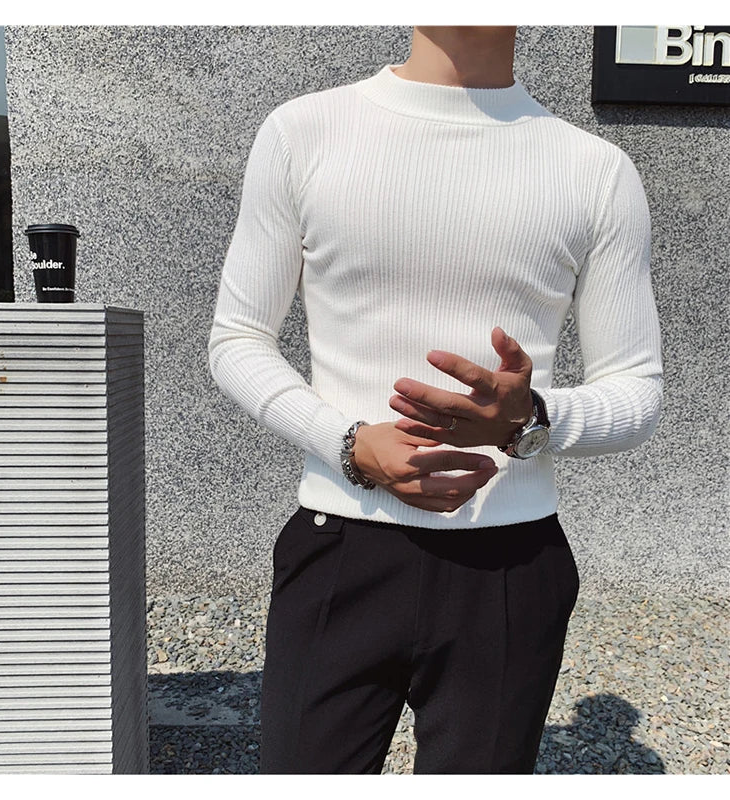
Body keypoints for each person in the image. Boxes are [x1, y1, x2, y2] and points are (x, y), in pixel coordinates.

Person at [208, 25, 663, 774]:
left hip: (510, 557)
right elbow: (237, 338)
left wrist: (531, 419)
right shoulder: (305, 131)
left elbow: (637, 390)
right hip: (341, 543)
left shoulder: (595, 169)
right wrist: (347, 443)